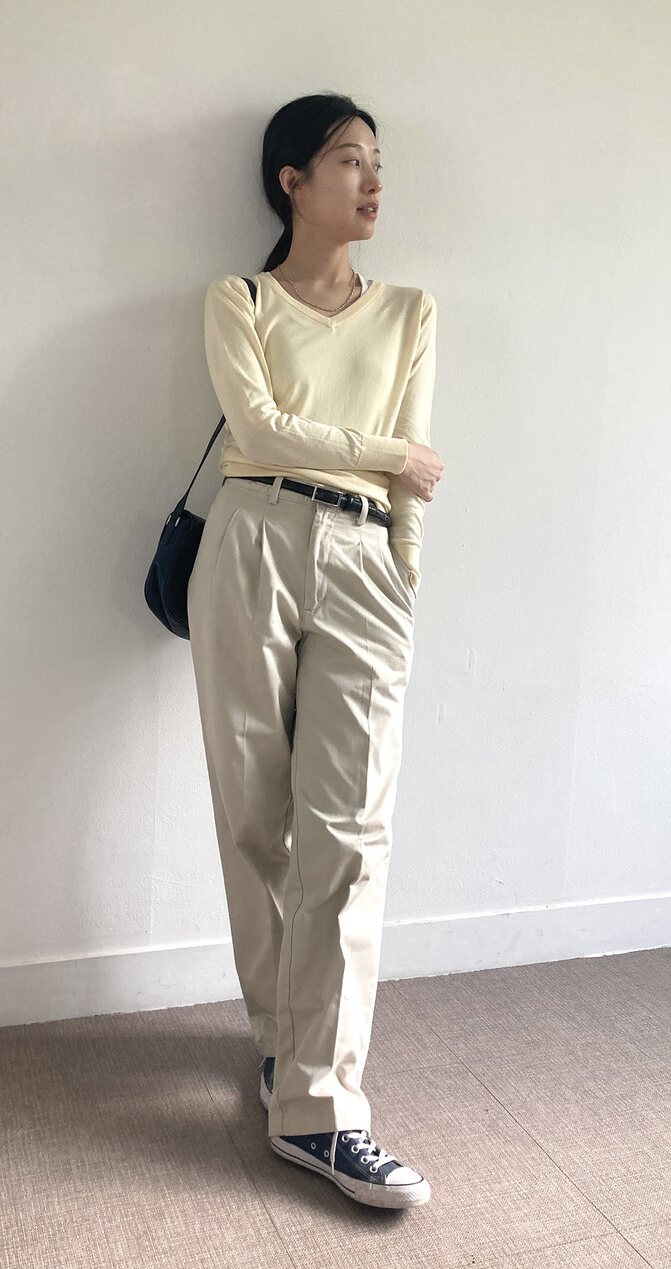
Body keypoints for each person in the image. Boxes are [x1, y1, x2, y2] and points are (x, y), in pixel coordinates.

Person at [186, 92, 443, 1209]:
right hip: (250, 539)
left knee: (351, 829)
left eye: (377, 162)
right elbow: (258, 430)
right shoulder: (237, 299)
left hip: (366, 557)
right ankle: (281, 1046)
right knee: (254, 814)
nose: (372, 181)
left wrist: (403, 568)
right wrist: (388, 454)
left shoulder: (411, 310)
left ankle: (324, 1107)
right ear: (291, 179)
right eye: (348, 160)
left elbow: (412, 472)